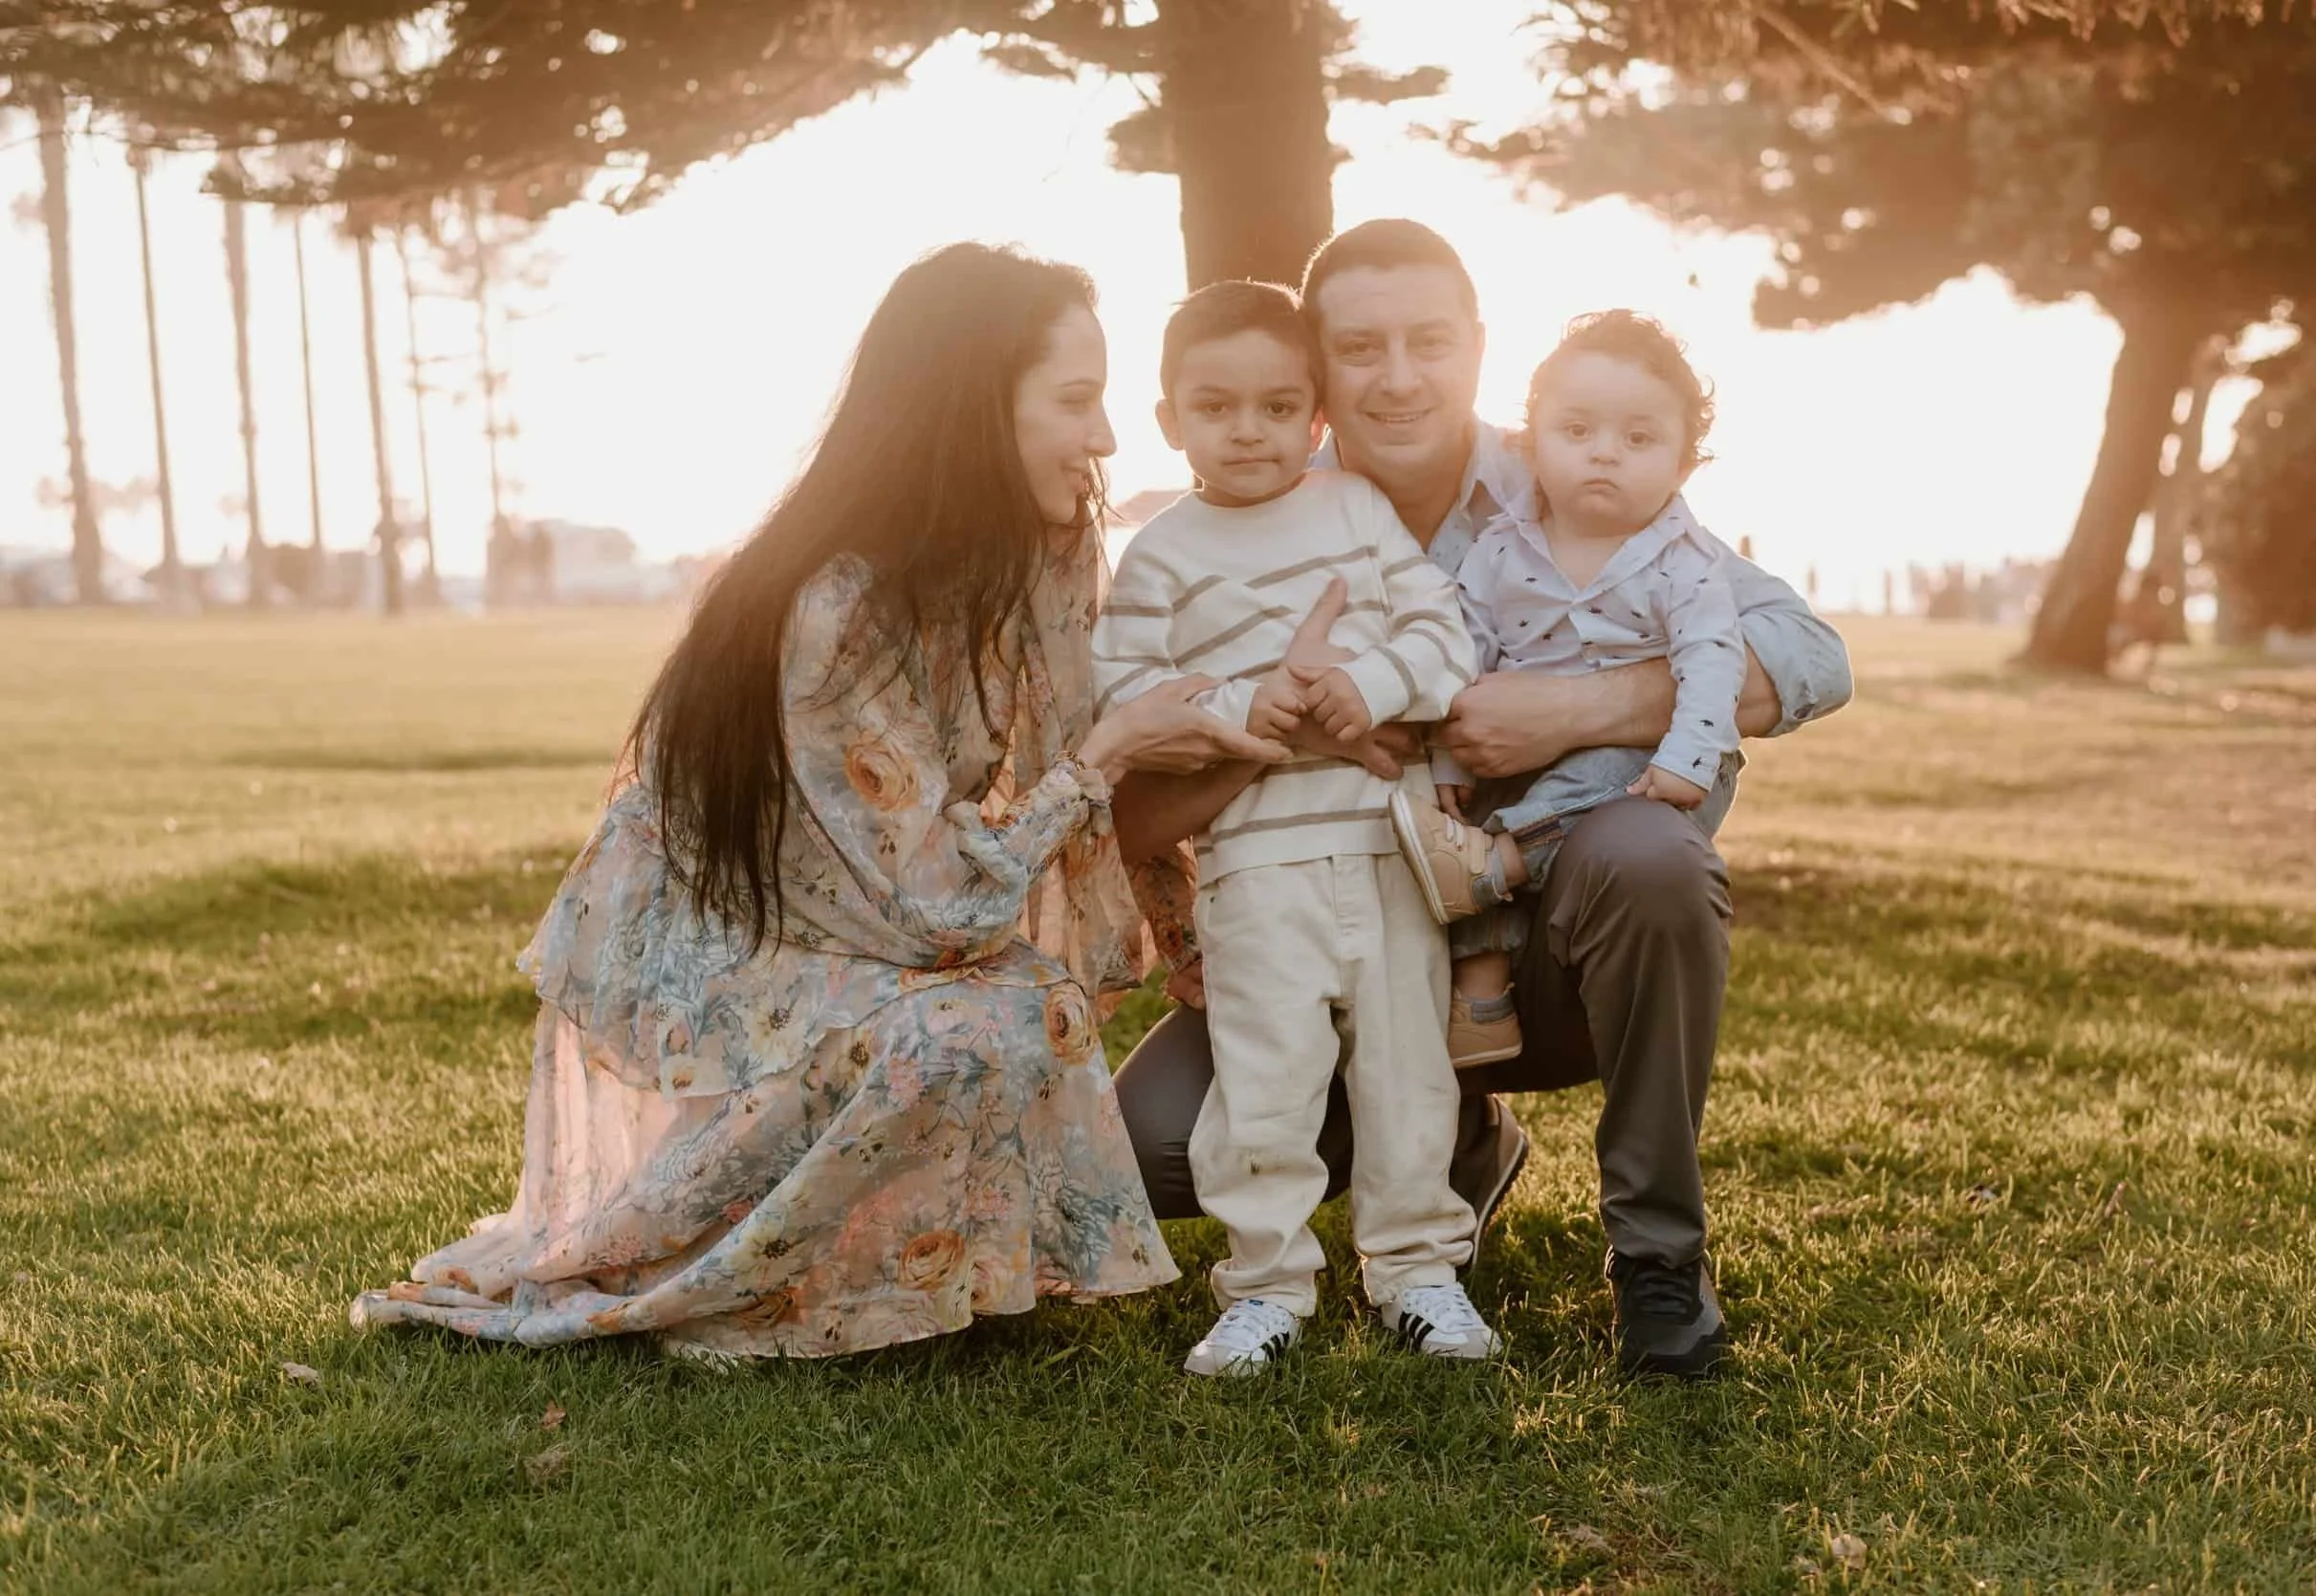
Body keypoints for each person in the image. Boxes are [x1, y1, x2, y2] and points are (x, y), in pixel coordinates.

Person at [351, 243, 1287, 1359]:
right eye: (1075, 401)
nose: (1106, 439)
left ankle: (922, 1284)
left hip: (872, 911)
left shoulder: (1042, 544)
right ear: (973, 406)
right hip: (727, 941)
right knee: (965, 1022)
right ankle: (753, 1282)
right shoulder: (836, 604)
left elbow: (1062, 740)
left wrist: (1186, 932)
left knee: (1021, 1002)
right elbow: (948, 897)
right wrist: (1107, 758)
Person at [1107, 220, 1855, 1380]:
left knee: (1652, 862)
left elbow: (1805, 656)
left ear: (1478, 347)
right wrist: (1274, 725)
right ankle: (1456, 1134)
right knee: (1152, 1149)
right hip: (1326, 921)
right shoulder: (1240, 518)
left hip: (1546, 939)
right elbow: (1135, 812)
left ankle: (1656, 1259)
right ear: (1317, 367)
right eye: (1359, 347)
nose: (1398, 377)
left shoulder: (1570, 469)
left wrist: (1576, 710)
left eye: (1429, 342)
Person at [1093, 280, 1496, 1376]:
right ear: (1170, 420)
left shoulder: (1354, 512)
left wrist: (1364, 688)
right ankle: (1265, 1286)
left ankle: (1415, 1272)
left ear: (1314, 416)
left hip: (1382, 851)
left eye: (1278, 407)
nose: (1248, 430)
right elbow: (1125, 699)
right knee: (1264, 1083)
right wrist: (1240, 710)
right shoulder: (1160, 554)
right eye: (1215, 407)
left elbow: (1441, 635)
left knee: (1409, 1073)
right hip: (1254, 869)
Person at [1388, 312, 1743, 1071]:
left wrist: (1689, 755)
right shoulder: (1502, 547)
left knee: (1591, 789)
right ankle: (1482, 1002)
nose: (1604, 453)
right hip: (1515, 758)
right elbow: (1467, 654)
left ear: (1684, 463)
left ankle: (1500, 865)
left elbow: (1714, 655)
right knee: (1473, 809)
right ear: (1533, 441)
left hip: (1650, 761)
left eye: (1638, 439)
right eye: (1576, 430)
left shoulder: (1686, 561)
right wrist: (1451, 762)